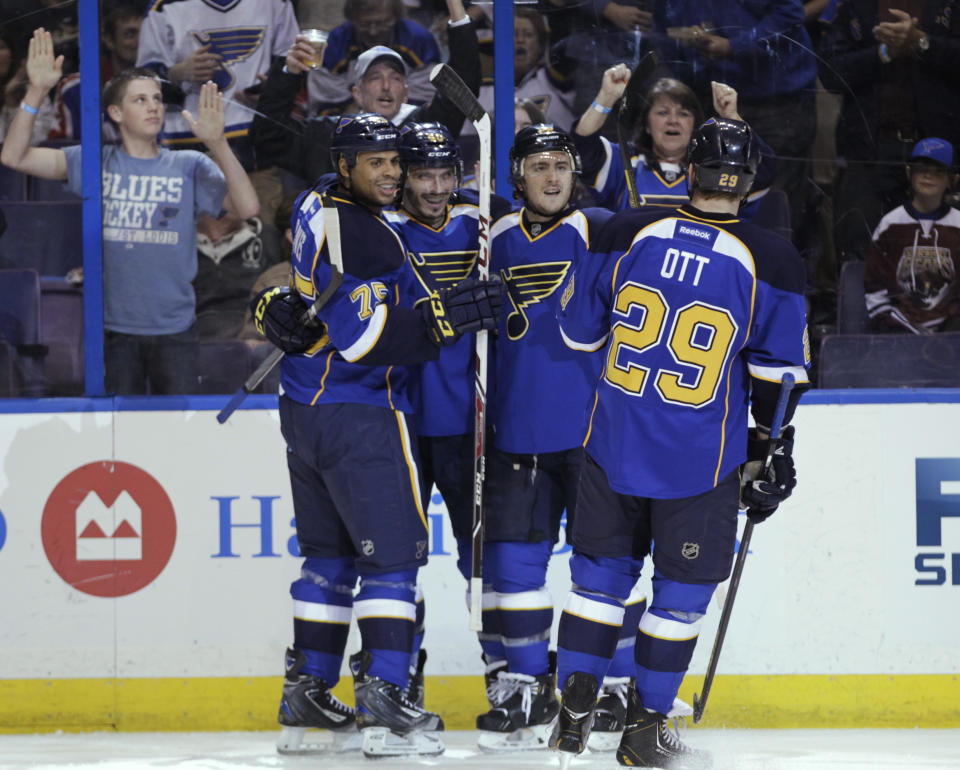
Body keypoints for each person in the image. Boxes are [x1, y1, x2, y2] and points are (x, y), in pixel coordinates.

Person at [548, 117, 810, 768]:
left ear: (690, 169)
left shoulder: (623, 228)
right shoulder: (773, 258)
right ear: (749, 181)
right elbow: (777, 376)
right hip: (701, 460)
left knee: (597, 586)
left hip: (611, 447)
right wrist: (771, 449)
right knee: (681, 596)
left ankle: (575, 710)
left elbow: (578, 333)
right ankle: (643, 733)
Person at [252, 112, 503, 758]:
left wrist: (268, 304)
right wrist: (444, 320)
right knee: (391, 561)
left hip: (302, 405)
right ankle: (386, 702)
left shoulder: (314, 200)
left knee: (329, 559)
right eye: (377, 163)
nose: (392, 173)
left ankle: (306, 690)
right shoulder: (370, 238)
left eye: (396, 160)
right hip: (360, 410)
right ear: (345, 167)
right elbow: (364, 340)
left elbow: (308, 297)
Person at [0, 29, 260, 395]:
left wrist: (218, 144)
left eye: (156, 98)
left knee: (176, 437)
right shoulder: (93, 160)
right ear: (116, 113)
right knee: (120, 440)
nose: (153, 106)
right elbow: (13, 156)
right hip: (114, 330)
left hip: (176, 329)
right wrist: (37, 90)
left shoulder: (187, 164)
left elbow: (248, 207)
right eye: (140, 100)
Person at [471, 124, 612, 752]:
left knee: (605, 567)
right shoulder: (492, 238)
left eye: (561, 165)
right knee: (512, 567)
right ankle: (526, 688)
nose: (552, 177)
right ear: (515, 176)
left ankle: (606, 690)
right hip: (515, 431)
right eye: (538, 166)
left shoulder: (603, 231)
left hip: (589, 432)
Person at [383, 121, 513, 710]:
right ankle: (399, 677)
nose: (436, 187)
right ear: (401, 175)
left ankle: (504, 671)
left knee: (479, 555)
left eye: (445, 174)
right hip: (401, 417)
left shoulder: (483, 217)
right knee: (395, 558)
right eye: (422, 175)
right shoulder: (380, 230)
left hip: (469, 420)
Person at [250, 0, 477, 184]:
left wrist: (456, 8)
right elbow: (268, 137)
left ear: (406, 93)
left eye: (395, 78)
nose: (386, 86)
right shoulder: (327, 134)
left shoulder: (424, 127)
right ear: (356, 93)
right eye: (375, 77)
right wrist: (288, 72)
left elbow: (463, 86)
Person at [819, 1, 960, 265]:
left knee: (940, 257)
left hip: (939, 152)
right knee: (860, 255)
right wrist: (883, 53)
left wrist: (922, 43)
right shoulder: (854, 6)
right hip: (869, 152)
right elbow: (830, 73)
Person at [574, 65, 776, 219]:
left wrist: (731, 116)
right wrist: (605, 98)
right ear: (646, 124)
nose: (673, 120)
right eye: (663, 112)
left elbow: (765, 170)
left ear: (695, 125)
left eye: (683, 113)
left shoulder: (714, 169)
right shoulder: (625, 162)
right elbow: (582, 149)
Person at [136, 0, 298, 159]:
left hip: (256, 142)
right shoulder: (163, 6)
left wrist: (273, 91)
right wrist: (177, 73)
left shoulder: (276, 3)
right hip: (185, 139)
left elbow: (293, 65)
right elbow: (142, 82)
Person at [865, 137, 960, 333]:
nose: (928, 176)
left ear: (953, 180)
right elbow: (874, 285)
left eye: (938, 171)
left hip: (951, 337)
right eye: (921, 169)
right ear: (909, 173)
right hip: (898, 335)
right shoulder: (890, 224)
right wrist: (892, 325)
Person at [306, 0, 443, 111]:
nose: (373, 31)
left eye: (382, 23)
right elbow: (324, 97)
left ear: (396, 17)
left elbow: (427, 97)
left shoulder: (418, 40)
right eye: (365, 24)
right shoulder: (336, 42)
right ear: (352, 19)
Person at [193, 194, 285, 340]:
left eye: (230, 192)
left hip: (255, 336)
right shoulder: (179, 243)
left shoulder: (267, 237)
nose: (231, 201)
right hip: (196, 339)